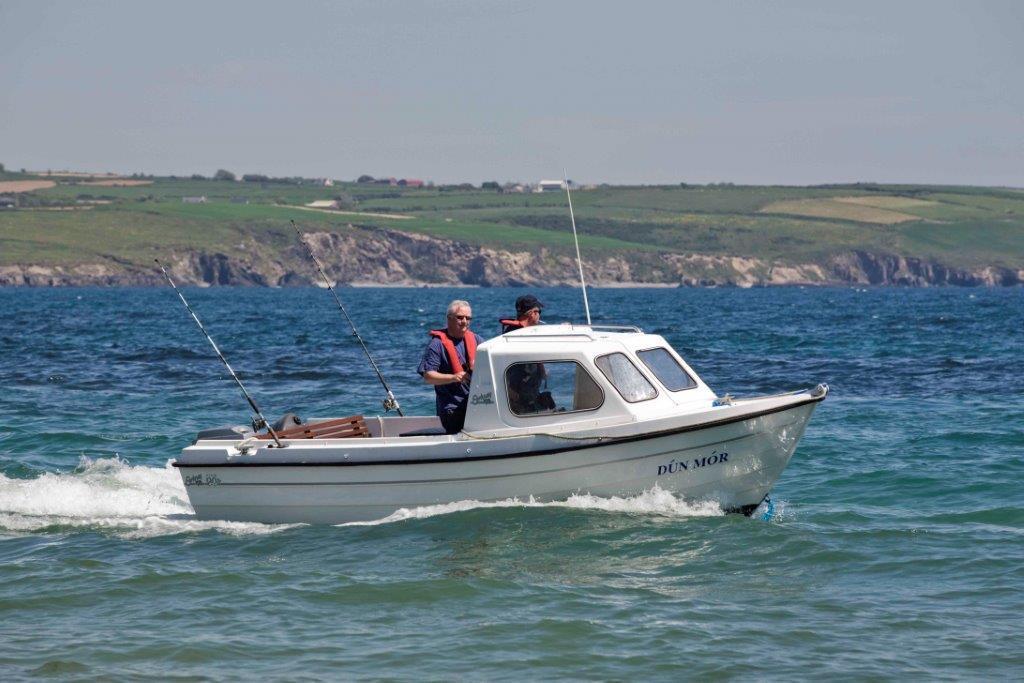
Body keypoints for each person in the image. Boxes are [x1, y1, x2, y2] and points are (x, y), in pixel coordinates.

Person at [417, 300, 484, 434]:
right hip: (452, 410)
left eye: (468, 318)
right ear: (449, 319)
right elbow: (428, 376)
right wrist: (453, 377)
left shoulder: (476, 340)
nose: (464, 321)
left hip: (475, 405)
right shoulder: (436, 345)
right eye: (460, 317)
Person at [500, 295, 550, 413]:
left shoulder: (527, 332)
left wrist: (542, 371)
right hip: (517, 398)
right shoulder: (513, 335)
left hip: (530, 392)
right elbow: (501, 364)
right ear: (532, 313)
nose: (539, 315)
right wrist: (508, 391)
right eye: (539, 311)